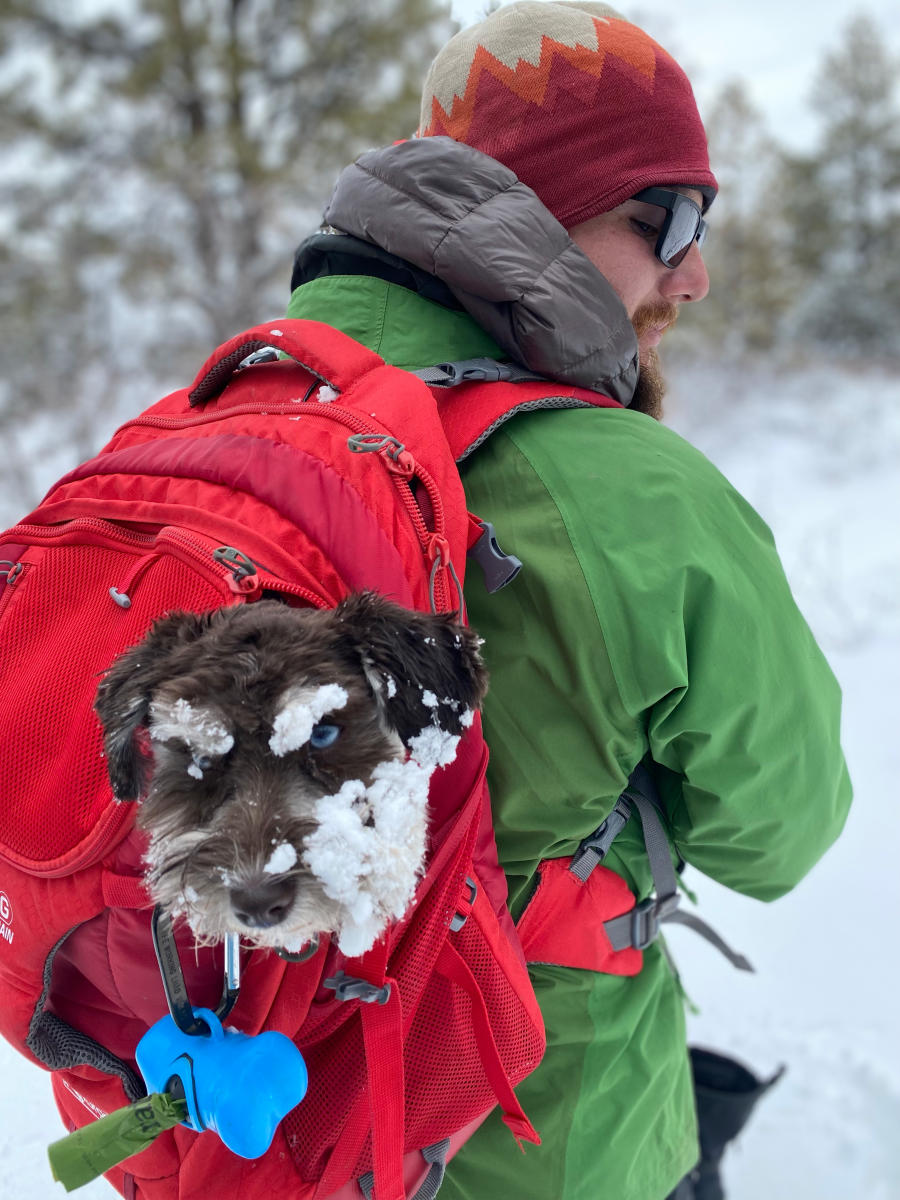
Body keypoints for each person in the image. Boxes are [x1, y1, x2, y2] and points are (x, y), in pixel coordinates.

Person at [285, 3, 852, 1198]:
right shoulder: (631, 493)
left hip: (253, 1139)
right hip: (550, 1145)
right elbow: (782, 831)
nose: (694, 274)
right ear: (540, 211)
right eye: (672, 218)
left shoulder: (236, 411)